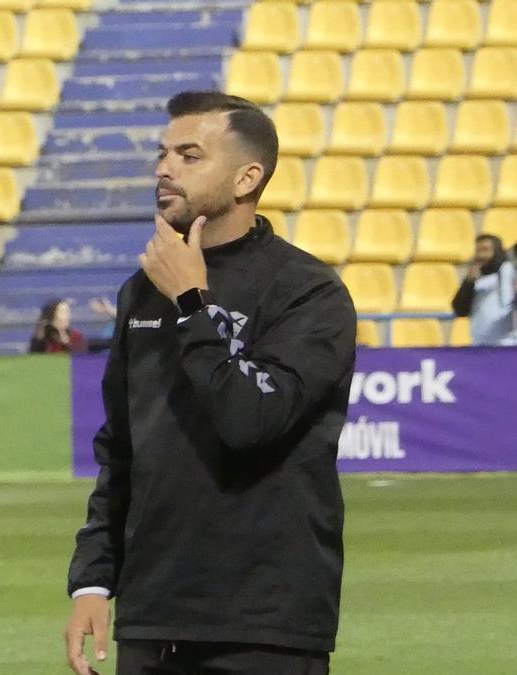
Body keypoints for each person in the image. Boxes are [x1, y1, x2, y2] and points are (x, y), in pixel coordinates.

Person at [64, 91, 356, 675]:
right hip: (152, 617)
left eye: (189, 155)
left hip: (263, 624)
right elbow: (122, 450)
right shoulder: (140, 291)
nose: (163, 168)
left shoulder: (307, 292)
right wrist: (92, 582)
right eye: (163, 152)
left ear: (248, 177)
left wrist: (193, 303)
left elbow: (250, 422)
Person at [450, 234, 517, 346]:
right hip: (482, 344)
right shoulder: (474, 278)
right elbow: (459, 310)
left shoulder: (513, 272)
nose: (481, 255)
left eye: (486, 250)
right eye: (478, 251)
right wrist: (468, 283)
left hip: (512, 343)